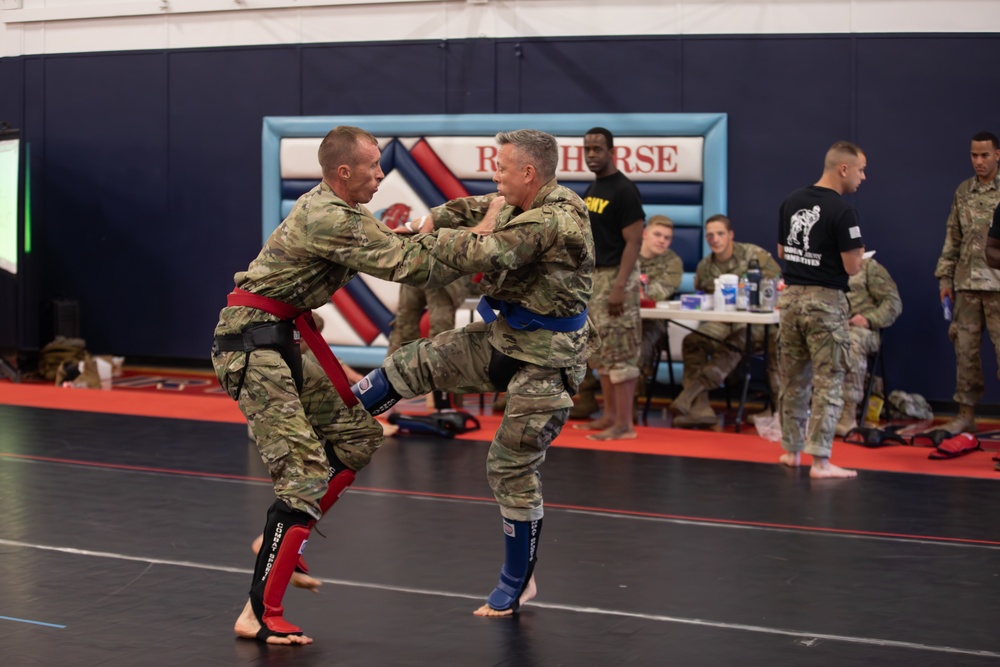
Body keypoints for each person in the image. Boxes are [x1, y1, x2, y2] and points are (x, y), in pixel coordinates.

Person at [211, 125, 483, 645]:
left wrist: (457, 225)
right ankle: (259, 613)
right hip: (252, 345)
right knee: (304, 476)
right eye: (373, 167)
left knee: (358, 437)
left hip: (282, 338)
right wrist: (485, 241)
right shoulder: (329, 216)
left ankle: (280, 537)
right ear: (343, 172)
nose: (381, 175)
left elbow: (396, 244)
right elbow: (410, 265)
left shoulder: (350, 212)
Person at [350, 129, 596, 618]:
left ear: (529, 172)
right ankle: (341, 423)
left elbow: (486, 253)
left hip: (547, 360)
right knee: (413, 361)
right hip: (506, 336)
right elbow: (468, 207)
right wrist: (426, 219)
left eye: (501, 167)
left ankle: (517, 581)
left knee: (510, 467)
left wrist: (404, 247)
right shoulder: (515, 198)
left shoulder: (558, 219)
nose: (494, 175)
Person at [776, 140, 867, 479]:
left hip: (791, 300)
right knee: (829, 382)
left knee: (793, 379)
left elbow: (783, 251)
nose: (863, 177)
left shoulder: (791, 201)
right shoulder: (844, 211)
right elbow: (853, 266)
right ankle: (821, 461)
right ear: (843, 168)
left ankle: (791, 451)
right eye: (860, 169)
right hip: (825, 303)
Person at [669, 214, 781, 428]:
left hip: (757, 324)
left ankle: (692, 392)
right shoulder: (705, 267)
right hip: (722, 321)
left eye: (720, 234)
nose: (715, 239)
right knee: (694, 341)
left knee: (738, 339)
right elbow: (703, 298)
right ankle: (700, 408)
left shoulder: (755, 256)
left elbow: (775, 288)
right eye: (710, 235)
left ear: (731, 235)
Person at [572, 127, 644, 441]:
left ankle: (625, 425)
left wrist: (618, 286)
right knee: (601, 351)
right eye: (587, 149)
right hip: (596, 278)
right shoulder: (594, 188)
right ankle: (610, 416)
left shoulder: (624, 189)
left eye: (597, 149)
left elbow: (635, 241)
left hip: (618, 278)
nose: (591, 154)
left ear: (612, 151)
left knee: (621, 351)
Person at [935, 131, 1000, 434]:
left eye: (985, 155)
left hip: (998, 286)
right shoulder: (964, 191)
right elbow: (953, 238)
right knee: (965, 352)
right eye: (974, 155)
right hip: (967, 285)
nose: (979, 161)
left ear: (997, 155)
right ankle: (966, 413)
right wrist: (945, 279)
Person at [835, 255, 903, 436]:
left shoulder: (868, 267)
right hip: (831, 326)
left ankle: (847, 416)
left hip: (861, 330)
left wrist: (869, 319)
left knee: (850, 343)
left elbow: (893, 303)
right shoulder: (824, 263)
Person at [638, 215, 684, 381]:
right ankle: (587, 395)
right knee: (581, 336)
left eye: (667, 238)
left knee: (637, 344)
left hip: (654, 321)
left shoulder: (672, 261)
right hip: (621, 316)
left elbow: (654, 294)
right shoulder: (626, 253)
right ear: (644, 233)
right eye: (657, 235)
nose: (662, 241)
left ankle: (632, 402)